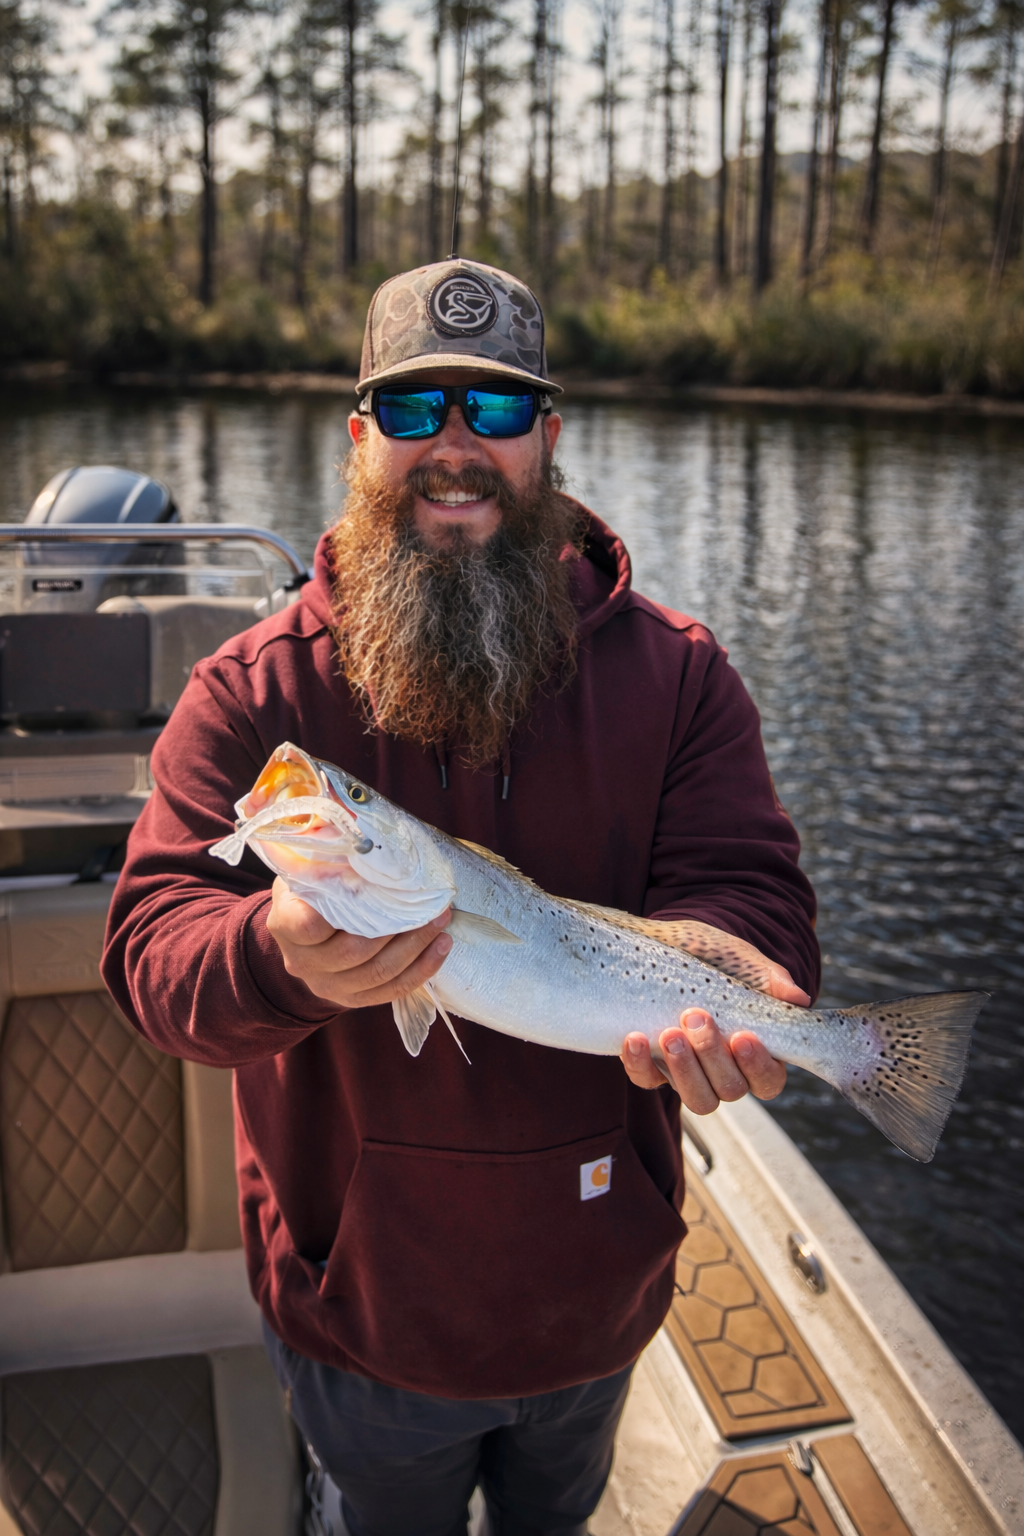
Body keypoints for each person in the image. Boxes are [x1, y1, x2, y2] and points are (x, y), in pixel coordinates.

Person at [102, 258, 819, 1536]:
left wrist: (733, 963)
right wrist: (274, 956)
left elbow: (746, 883)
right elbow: (153, 956)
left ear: (546, 437)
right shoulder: (251, 692)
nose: (453, 447)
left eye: (493, 409)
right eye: (411, 406)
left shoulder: (679, 676)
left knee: (558, 1518)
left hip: (599, 1288)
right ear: (357, 437)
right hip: (360, 1311)